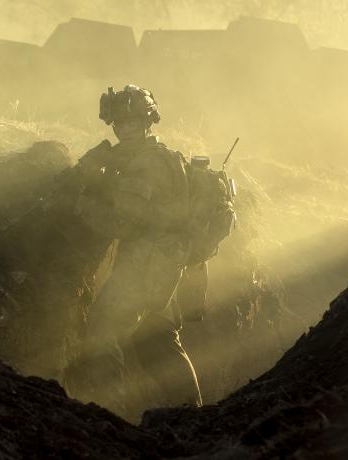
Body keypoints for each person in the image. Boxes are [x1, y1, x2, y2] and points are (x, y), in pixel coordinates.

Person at [65, 85, 203, 417]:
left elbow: (121, 223)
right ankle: (194, 416)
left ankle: (107, 414)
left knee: (102, 327)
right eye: (119, 124)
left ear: (147, 122)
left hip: (147, 263)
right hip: (163, 262)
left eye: (132, 122)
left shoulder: (147, 164)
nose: (124, 129)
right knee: (156, 339)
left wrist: (81, 203)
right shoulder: (154, 157)